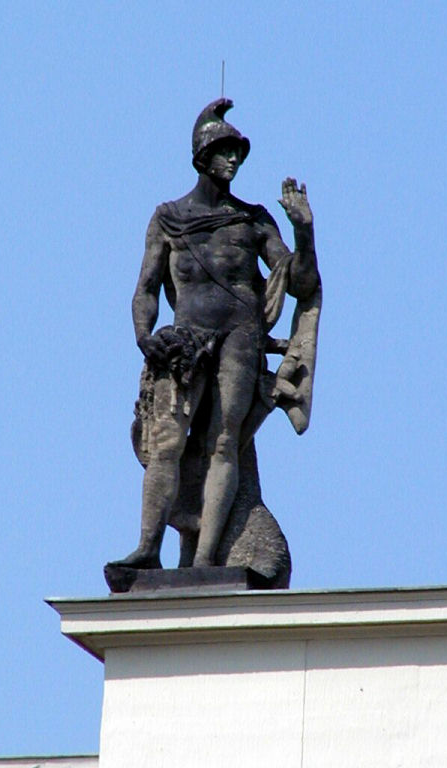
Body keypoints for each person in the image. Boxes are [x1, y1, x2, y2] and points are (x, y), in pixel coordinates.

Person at [112, 98, 319, 569]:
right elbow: (145, 289)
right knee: (166, 440)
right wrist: (145, 338)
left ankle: (205, 560)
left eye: (239, 153)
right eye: (226, 151)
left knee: (225, 442)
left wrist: (304, 232)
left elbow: (301, 282)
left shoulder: (254, 220)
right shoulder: (168, 217)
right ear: (202, 157)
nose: (234, 160)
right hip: (186, 340)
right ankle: (148, 548)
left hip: (240, 338)